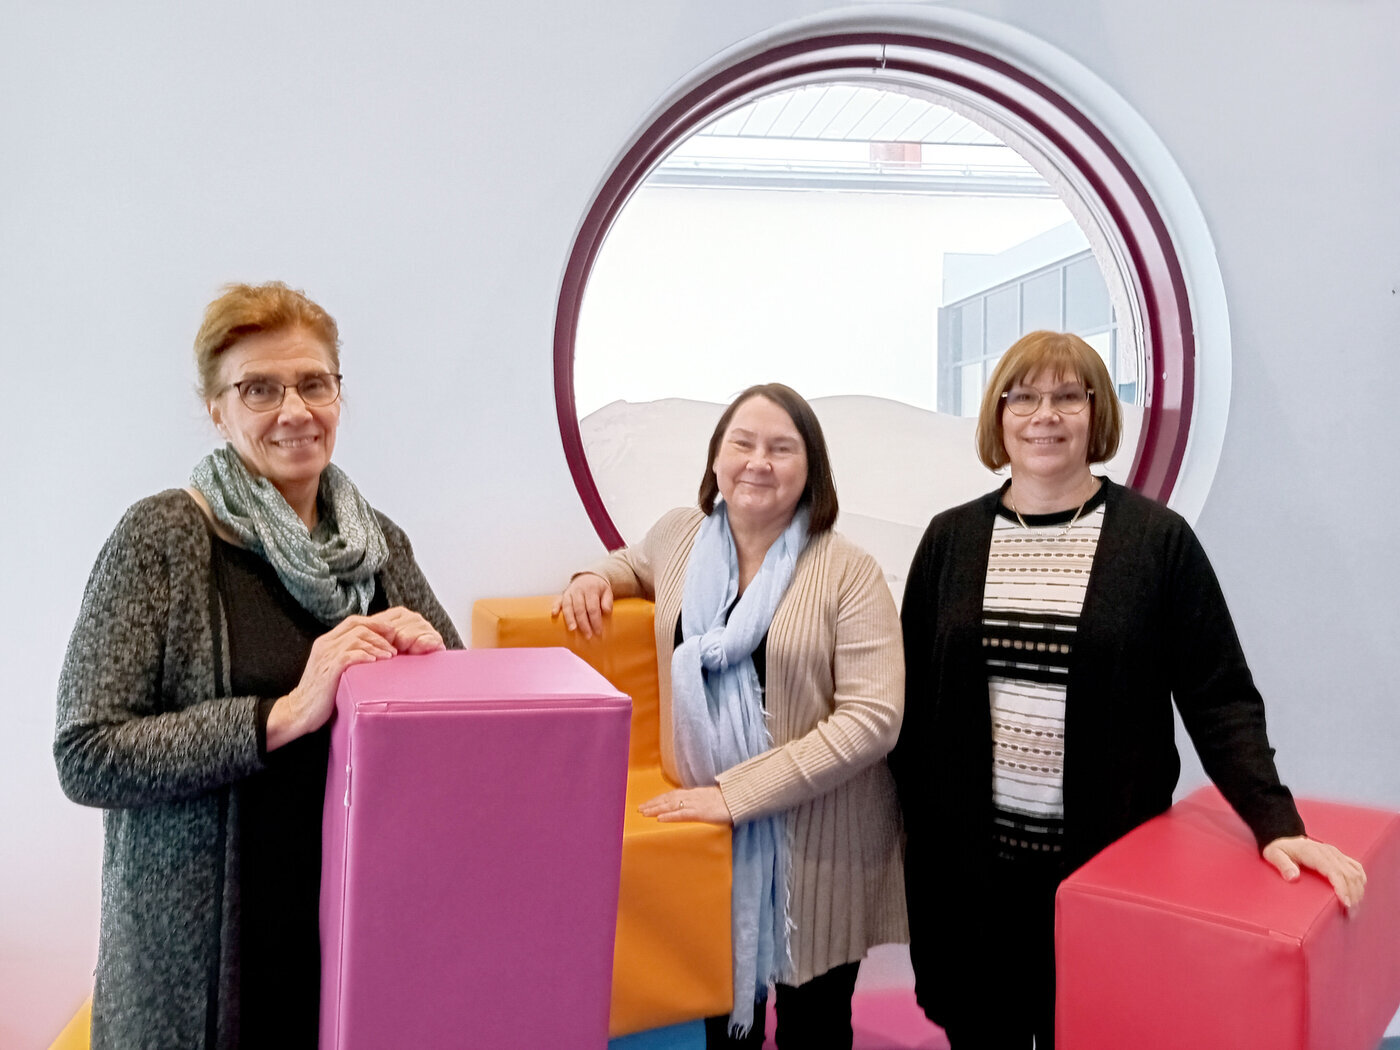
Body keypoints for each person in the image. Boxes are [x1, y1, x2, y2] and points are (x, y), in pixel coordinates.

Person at [893, 330, 1366, 1049]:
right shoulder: (949, 540)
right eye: (1024, 397)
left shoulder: (1155, 542)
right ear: (998, 415)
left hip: (1103, 874)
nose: (1044, 415)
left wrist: (1277, 822)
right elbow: (908, 703)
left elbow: (1220, 698)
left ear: (1097, 413)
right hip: (970, 882)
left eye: (1067, 396)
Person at [54, 282, 463, 1049]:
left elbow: (456, 735)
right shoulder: (163, 538)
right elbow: (87, 755)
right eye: (259, 389)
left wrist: (436, 670)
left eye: (313, 383)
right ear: (218, 409)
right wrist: (280, 715)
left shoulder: (379, 545)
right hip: (213, 974)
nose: (294, 410)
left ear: (339, 393)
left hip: (358, 940)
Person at [554, 383, 906, 1049]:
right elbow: (633, 565)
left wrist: (734, 794)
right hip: (706, 842)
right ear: (716, 459)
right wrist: (592, 578)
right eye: (742, 443)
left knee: (813, 1029)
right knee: (720, 1026)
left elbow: (872, 719)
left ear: (812, 468)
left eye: (782, 448)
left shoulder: (849, 572)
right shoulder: (679, 535)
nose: (758, 462)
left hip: (818, 846)